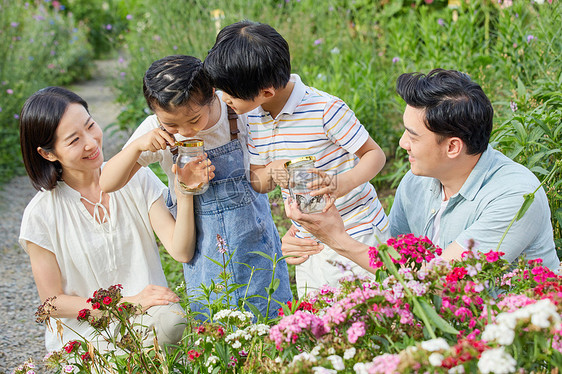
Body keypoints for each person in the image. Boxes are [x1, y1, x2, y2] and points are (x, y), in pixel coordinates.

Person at [283, 69, 560, 272]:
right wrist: (307, 237)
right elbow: (395, 262)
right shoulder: (417, 182)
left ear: (452, 147)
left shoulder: (516, 197)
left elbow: (440, 280)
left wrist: (337, 238)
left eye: (413, 136)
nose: (403, 144)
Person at [204, 20, 391, 297]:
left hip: (356, 231)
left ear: (266, 92)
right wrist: (273, 173)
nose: (223, 99)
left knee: (367, 315)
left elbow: (375, 155)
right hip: (308, 239)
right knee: (318, 322)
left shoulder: (325, 110)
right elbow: (258, 180)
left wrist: (341, 182)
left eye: (230, 95)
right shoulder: (252, 115)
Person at [99, 55, 292, 318]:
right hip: (204, 254)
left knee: (270, 317)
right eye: (172, 124)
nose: (185, 131)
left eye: (193, 120)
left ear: (213, 93)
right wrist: (137, 146)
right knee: (214, 326)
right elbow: (108, 182)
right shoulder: (156, 132)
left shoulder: (237, 112)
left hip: (256, 245)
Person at [19, 87, 194, 353]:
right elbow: (52, 302)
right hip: (86, 338)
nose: (91, 142)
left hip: (148, 322)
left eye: (90, 126)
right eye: (74, 140)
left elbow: (180, 250)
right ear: (48, 153)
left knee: (173, 322)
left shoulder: (136, 178)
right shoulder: (41, 214)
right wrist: (126, 304)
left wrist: (186, 189)